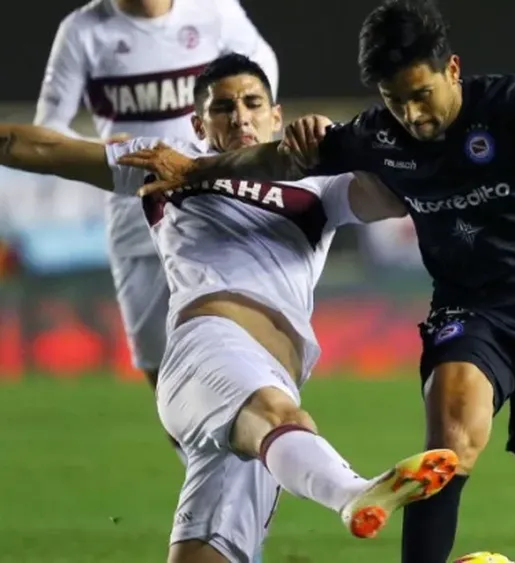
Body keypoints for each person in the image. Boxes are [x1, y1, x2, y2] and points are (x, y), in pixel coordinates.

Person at [117, 2, 515, 561]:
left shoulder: (513, 103)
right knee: (449, 440)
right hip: (471, 314)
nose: (413, 115)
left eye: (422, 95)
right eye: (396, 100)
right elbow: (280, 158)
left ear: (452, 69)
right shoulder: (379, 134)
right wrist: (195, 171)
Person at [1, 53, 458, 563]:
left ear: (275, 115)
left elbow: (394, 196)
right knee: (278, 412)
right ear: (199, 125)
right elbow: (44, 149)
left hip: (273, 407)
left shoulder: (320, 186)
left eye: (252, 103)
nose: (240, 116)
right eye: (222, 107)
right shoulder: (169, 164)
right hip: (208, 352)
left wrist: (342, 144)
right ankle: (351, 491)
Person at [35, 0, 279, 460]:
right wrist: (98, 147)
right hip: (135, 214)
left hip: (213, 209)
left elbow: (262, 71)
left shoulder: (214, 11)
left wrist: (238, 149)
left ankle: (261, 464)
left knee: (243, 355)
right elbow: (49, 128)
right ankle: (201, 471)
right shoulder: (83, 30)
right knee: (160, 370)